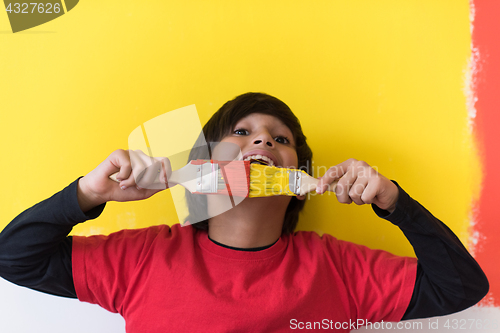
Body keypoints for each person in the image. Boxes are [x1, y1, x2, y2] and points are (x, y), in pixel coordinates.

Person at [0, 93, 489, 332]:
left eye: (282, 140)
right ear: (203, 165)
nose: (262, 141)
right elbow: (14, 258)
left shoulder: (338, 271)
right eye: (241, 132)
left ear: (301, 186)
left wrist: (394, 203)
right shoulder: (144, 258)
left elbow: (462, 288)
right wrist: (88, 193)